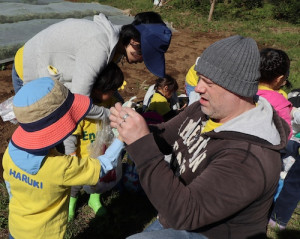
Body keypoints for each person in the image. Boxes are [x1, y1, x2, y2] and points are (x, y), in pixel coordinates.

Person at [109, 35, 290, 239]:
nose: (198, 88)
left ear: (238, 89)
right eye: (200, 77)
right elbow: (165, 136)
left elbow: (185, 213)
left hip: (210, 231)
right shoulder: (204, 109)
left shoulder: (249, 158)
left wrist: (141, 144)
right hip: (175, 213)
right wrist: (134, 128)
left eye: (209, 82)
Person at [2, 77, 124, 239]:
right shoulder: (60, 167)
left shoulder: (11, 151)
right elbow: (102, 166)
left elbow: (10, 186)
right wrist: (121, 139)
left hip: (17, 228)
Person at [11, 12, 172, 120]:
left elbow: (103, 85)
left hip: (55, 70)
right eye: (145, 55)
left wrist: (120, 105)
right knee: (43, 127)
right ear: (134, 43)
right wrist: (114, 116)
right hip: (29, 68)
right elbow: (79, 104)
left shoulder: (116, 47)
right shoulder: (98, 47)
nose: (142, 61)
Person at [66, 62, 124, 221]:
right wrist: (71, 154)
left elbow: (120, 109)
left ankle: (94, 199)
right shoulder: (82, 108)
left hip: (102, 150)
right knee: (76, 183)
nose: (114, 93)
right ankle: (72, 203)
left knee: (100, 179)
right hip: (81, 155)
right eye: (112, 90)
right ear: (98, 88)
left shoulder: (110, 102)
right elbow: (71, 134)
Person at [257, 48, 293, 139]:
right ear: (279, 79)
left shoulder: (246, 92)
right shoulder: (280, 101)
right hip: (272, 148)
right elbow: (286, 133)